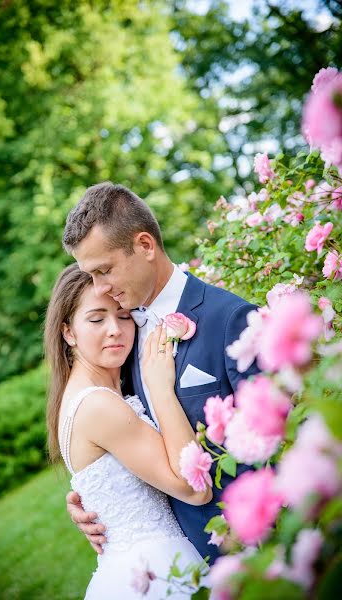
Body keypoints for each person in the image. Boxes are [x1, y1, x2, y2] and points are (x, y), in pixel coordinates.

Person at [62, 182, 259, 563]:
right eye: (91, 275)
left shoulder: (230, 319)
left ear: (145, 246)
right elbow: (130, 438)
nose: (99, 288)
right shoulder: (124, 336)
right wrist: (94, 498)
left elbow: (273, 443)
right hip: (177, 559)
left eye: (104, 271)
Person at [44, 263, 212, 599]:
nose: (115, 330)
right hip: (156, 571)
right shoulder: (97, 405)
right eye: (96, 319)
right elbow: (194, 489)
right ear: (68, 332)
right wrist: (161, 388)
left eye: (123, 316)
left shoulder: (103, 389)